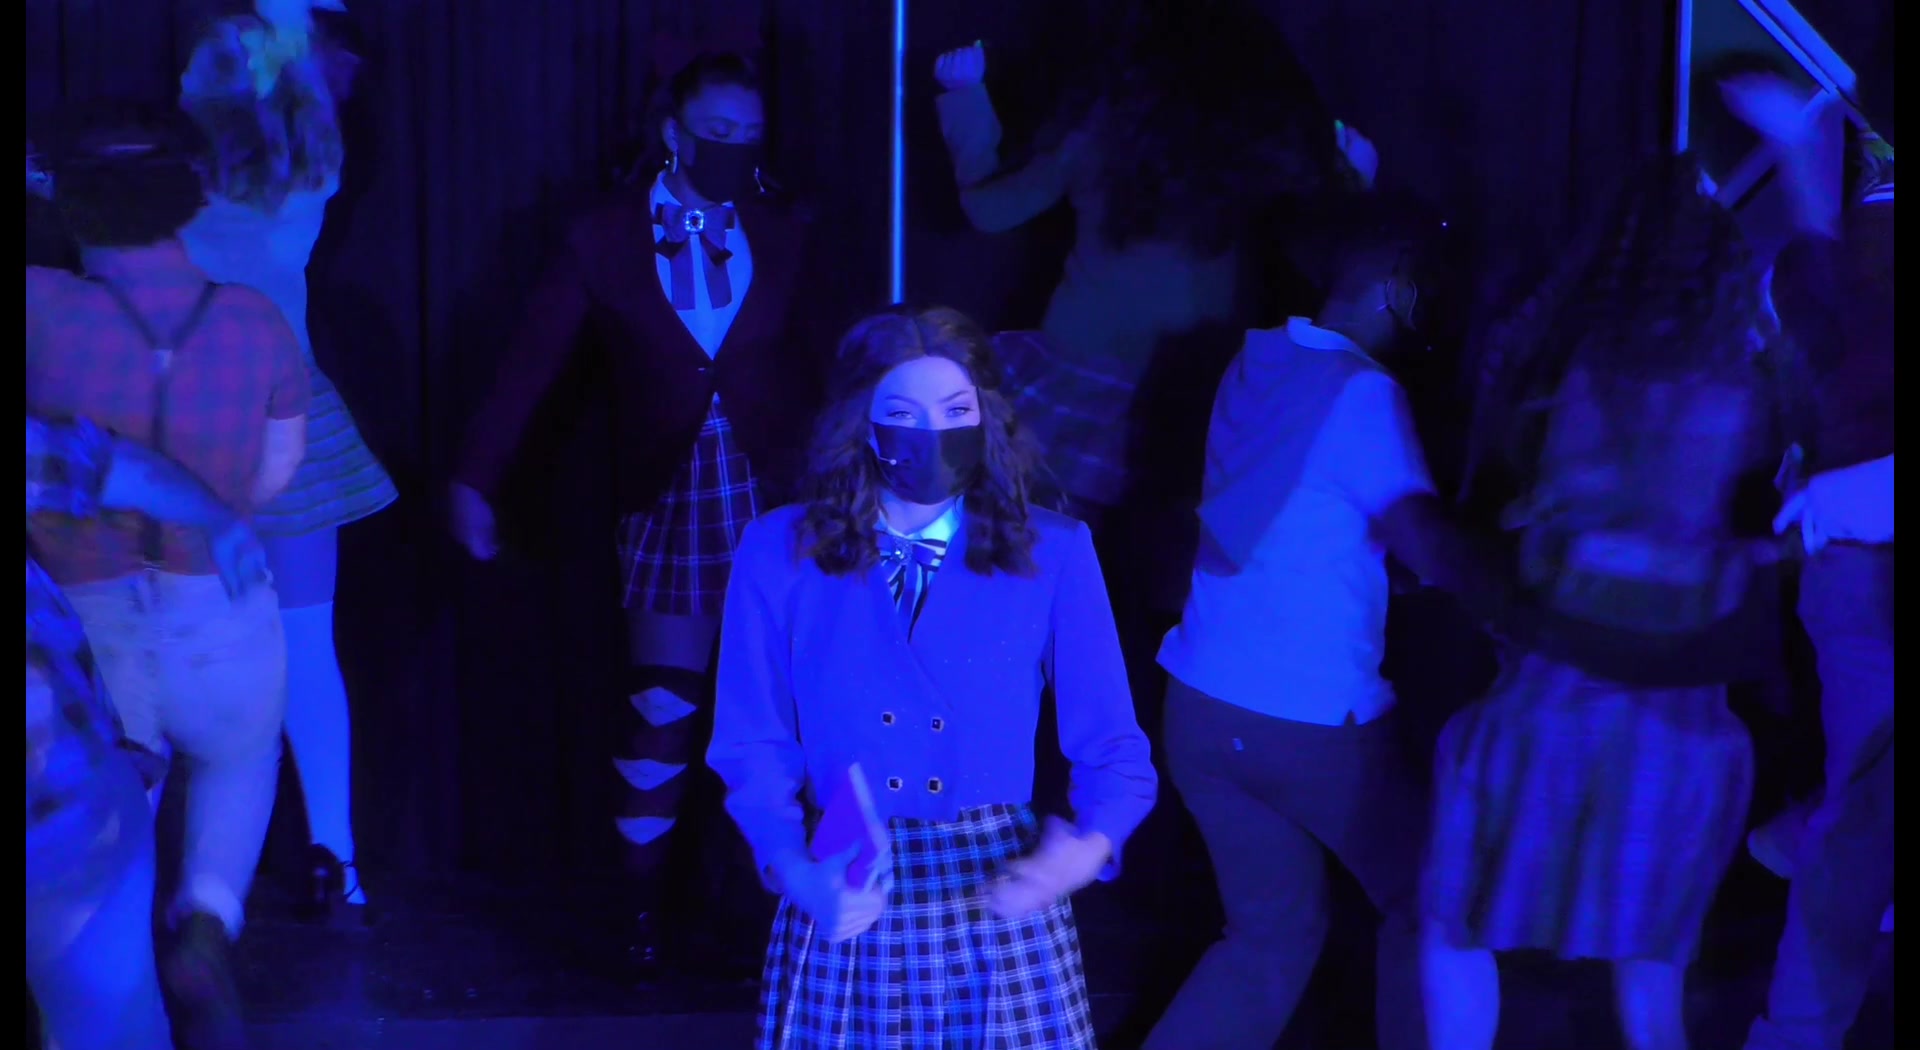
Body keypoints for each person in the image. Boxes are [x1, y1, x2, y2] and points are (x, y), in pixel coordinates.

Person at [447, 50, 825, 964]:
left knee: (789, 707)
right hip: (672, 493)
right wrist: (475, 478)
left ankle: (781, 907)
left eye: (749, 135)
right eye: (717, 132)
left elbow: (829, 355)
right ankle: (638, 910)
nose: (734, 148)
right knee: (666, 704)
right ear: (673, 132)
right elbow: (531, 364)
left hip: (780, 494)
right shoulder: (605, 236)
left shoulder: (786, 228)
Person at [707, 305, 1158, 1048]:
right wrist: (793, 868)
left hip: (996, 888)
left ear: (987, 418)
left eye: (955, 411)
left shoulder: (1055, 551)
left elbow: (1114, 747)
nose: (933, 432)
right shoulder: (778, 551)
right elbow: (752, 741)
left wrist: (1084, 850)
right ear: (860, 422)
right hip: (849, 885)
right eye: (902, 413)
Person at [1420, 154, 1789, 1050]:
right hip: (1677, 734)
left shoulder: (1558, 371)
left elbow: (1505, 535)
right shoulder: (1745, 391)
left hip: (1547, 710)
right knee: (1654, 977)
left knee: (1454, 929)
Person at [1143, 191, 1470, 1050]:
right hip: (1311, 728)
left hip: (1201, 707)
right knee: (1432, 906)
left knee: (1267, 940)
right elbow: (1432, 551)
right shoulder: (1363, 393)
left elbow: (1287, 522)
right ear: (1395, 283)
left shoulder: (1257, 364)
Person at [25, 102, 309, 1042]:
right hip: (218, 602)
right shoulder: (255, 321)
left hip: (87, 623)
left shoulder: (39, 307)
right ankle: (208, 925)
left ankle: (119, 979)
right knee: (239, 762)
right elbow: (273, 475)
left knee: (95, 857)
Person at [930, 4, 1371, 597]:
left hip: (1077, 395)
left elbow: (991, 207)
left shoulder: (1103, 130)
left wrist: (966, 97)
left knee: (1035, 583)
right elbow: (1330, 251)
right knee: (1142, 591)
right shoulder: (1258, 152)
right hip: (1187, 405)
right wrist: (1354, 175)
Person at [177, 0, 394, 917]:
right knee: (304, 647)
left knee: (177, 647)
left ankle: (194, 877)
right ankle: (335, 859)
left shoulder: (173, 179)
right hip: (280, 410)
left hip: (188, 421)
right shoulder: (313, 167)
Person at [1719, 70, 1896, 1050]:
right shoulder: (1832, 277)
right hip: (1856, 563)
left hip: (1847, 564)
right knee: (1860, 826)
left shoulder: (1820, 277)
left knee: (1859, 817)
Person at [26, 414, 269, 1050]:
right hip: (65, 804)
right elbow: (116, 467)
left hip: (72, 797)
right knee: (240, 754)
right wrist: (221, 522)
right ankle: (207, 928)